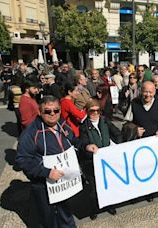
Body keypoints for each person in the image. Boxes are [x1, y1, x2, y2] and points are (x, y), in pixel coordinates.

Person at [15, 95, 97, 227]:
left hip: (63, 182)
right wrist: (46, 172)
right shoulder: (31, 133)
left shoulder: (62, 123)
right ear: (40, 112)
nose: (52, 114)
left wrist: (85, 146)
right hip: (43, 185)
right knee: (47, 219)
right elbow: (22, 160)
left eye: (56, 110)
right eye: (47, 111)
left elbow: (73, 140)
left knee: (66, 213)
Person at [79, 99, 122, 219]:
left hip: (107, 160)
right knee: (94, 188)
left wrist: (117, 147)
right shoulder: (83, 126)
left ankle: (110, 205)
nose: (95, 113)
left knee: (109, 184)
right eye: (92, 111)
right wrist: (89, 148)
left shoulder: (105, 121)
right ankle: (94, 209)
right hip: (92, 162)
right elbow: (83, 143)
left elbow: (117, 133)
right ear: (87, 111)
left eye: (98, 110)